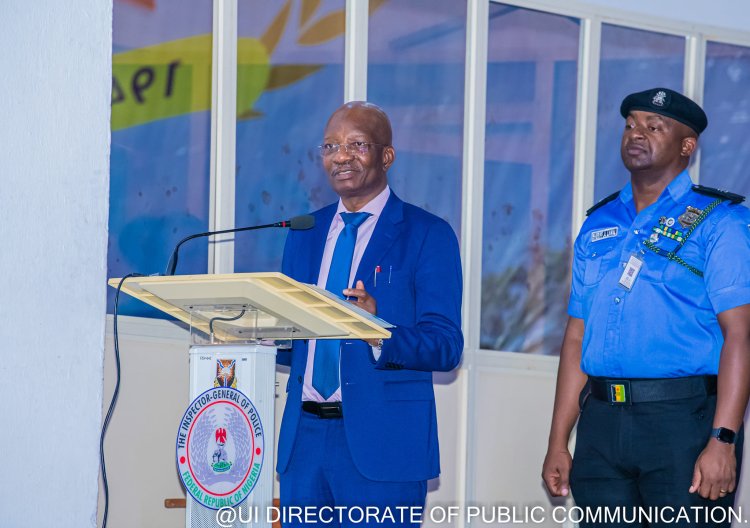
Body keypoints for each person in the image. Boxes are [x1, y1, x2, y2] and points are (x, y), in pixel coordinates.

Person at [542, 87, 750, 527]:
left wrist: (723, 440)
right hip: (601, 423)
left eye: (654, 127)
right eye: (631, 124)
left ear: (687, 146)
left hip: (683, 424)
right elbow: (577, 336)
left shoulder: (720, 221)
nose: (637, 133)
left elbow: (740, 334)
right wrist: (559, 439)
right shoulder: (598, 223)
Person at [276, 101, 463, 526]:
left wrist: (378, 331)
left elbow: (447, 345)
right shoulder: (304, 232)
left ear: (386, 156)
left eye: (356, 144)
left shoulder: (426, 234)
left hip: (384, 442)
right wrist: (264, 331)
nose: (341, 156)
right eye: (330, 146)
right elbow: (295, 343)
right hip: (303, 442)